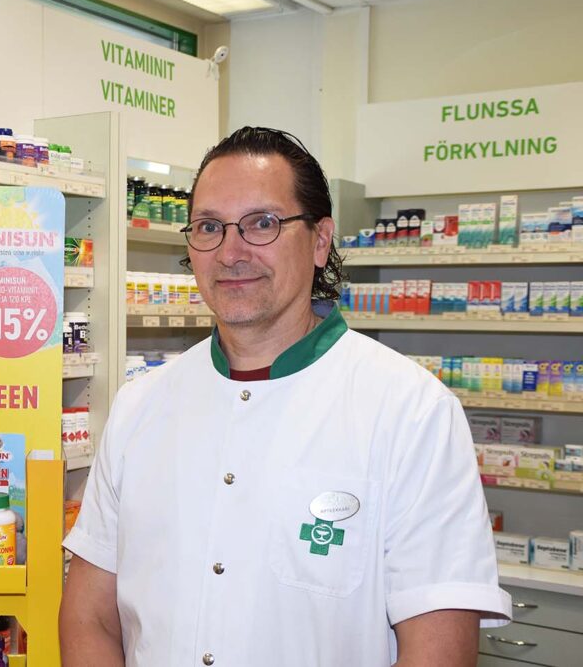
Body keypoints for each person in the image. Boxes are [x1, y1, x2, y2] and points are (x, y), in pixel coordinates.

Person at [60, 127, 511, 666]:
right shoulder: (140, 406)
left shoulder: (412, 412)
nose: (231, 252)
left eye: (262, 224)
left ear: (320, 241)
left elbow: (438, 652)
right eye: (209, 227)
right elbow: (89, 617)